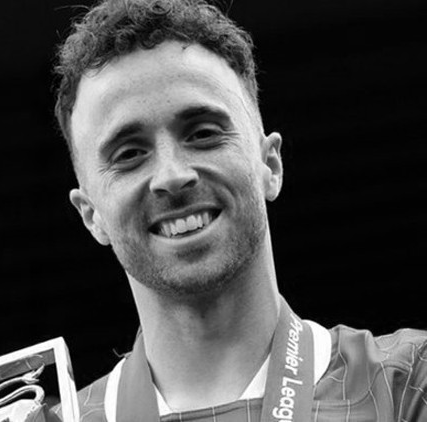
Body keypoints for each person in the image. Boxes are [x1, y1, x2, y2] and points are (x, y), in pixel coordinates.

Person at [52, 0, 427, 421]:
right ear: (91, 214)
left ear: (270, 165)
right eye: (129, 154)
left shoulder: (409, 381)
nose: (172, 176)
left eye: (202, 133)